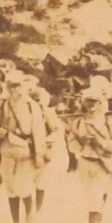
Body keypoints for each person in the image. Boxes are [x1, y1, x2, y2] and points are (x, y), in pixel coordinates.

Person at [0, 68, 47, 223]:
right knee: (10, 189)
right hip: (7, 152)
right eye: (10, 85)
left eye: (16, 85)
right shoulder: (1, 105)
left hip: (25, 153)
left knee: (24, 187)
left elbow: (39, 131)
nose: (13, 89)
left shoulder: (32, 106)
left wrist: (39, 155)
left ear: (22, 86)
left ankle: (29, 218)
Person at [68, 84, 112, 223]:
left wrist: (100, 143)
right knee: (91, 195)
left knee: (95, 196)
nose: (90, 104)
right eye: (88, 101)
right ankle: (98, 217)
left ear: (100, 103)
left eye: (94, 101)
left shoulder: (108, 122)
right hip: (85, 162)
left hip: (103, 163)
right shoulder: (78, 122)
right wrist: (82, 143)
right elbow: (71, 144)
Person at [32, 82, 68, 214]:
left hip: (44, 147)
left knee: (41, 180)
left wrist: (44, 143)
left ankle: (38, 209)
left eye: (38, 100)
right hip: (28, 147)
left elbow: (55, 132)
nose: (37, 103)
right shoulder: (27, 112)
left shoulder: (48, 113)